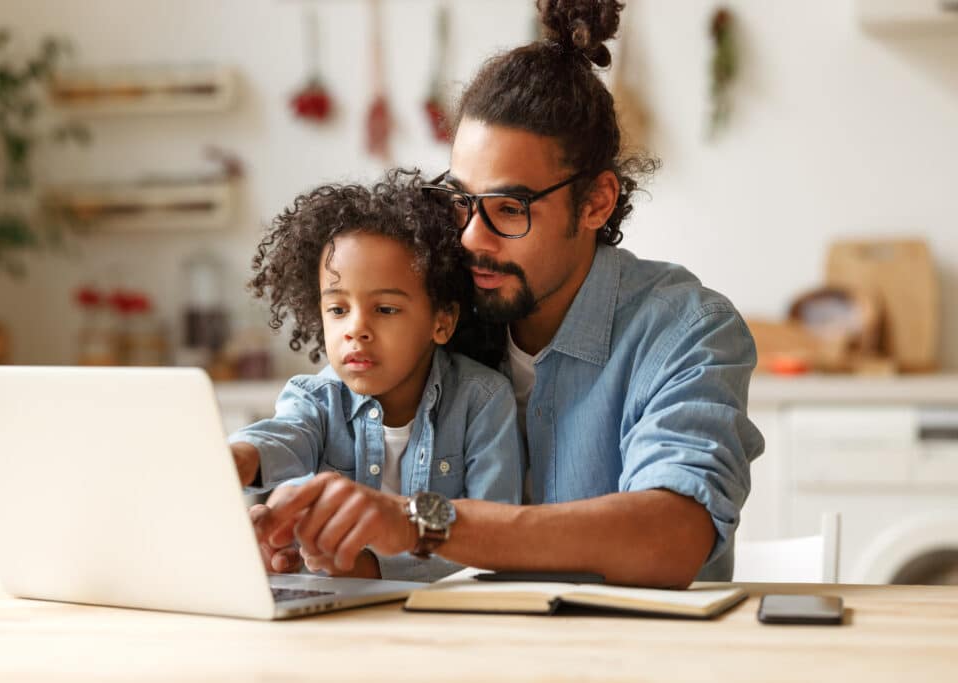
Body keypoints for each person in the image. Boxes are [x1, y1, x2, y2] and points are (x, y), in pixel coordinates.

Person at [253, 0, 765, 588]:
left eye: (509, 209)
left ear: (597, 201)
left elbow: (673, 535)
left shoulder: (688, 331)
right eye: (462, 201)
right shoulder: (438, 312)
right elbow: (325, 410)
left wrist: (419, 522)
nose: (472, 237)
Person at [228, 169, 523, 581]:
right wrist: (240, 458)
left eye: (385, 309)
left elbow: (495, 535)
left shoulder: (483, 401)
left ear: (442, 321)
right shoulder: (316, 398)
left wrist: (373, 568)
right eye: (337, 309)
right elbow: (285, 435)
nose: (355, 328)